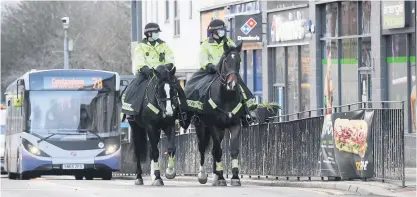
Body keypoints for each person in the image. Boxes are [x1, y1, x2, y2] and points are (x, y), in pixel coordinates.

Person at [185, 19, 257, 127]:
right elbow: (203, 59)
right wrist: (210, 66)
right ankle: (195, 112)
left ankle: (246, 113)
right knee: (196, 85)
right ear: (213, 32)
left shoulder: (229, 42)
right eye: (220, 30)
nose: (222, 32)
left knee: (241, 86)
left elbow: (235, 54)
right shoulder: (205, 45)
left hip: (226, 72)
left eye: (223, 30)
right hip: (210, 71)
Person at [122, 23, 187, 123]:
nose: (157, 34)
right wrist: (144, 68)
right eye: (155, 32)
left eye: (157, 32)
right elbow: (139, 59)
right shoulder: (140, 46)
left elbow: (170, 56)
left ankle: (182, 112)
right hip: (146, 73)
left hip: (162, 74)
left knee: (176, 86)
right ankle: (131, 112)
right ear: (148, 34)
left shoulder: (163, 44)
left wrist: (168, 65)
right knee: (134, 87)